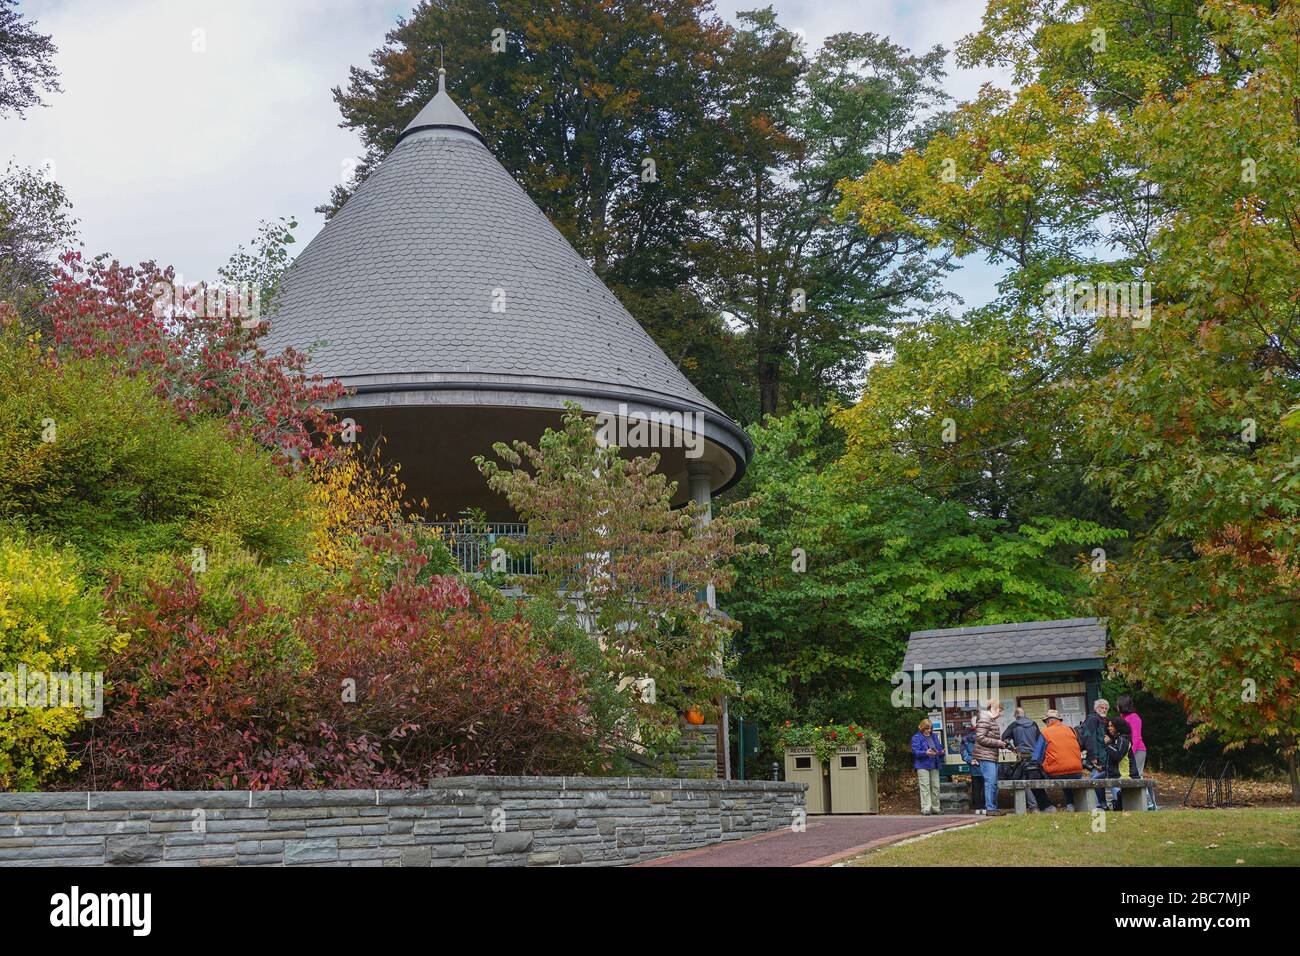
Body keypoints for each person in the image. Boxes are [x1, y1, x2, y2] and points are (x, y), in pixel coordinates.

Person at [972, 699, 1013, 815]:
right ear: (994, 708)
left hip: (990, 755)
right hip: (985, 755)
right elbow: (980, 738)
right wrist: (998, 743)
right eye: (1000, 711)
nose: (1000, 714)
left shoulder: (989, 720)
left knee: (993, 782)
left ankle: (993, 808)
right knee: (990, 782)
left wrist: (1001, 744)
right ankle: (990, 809)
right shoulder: (985, 719)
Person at [1001, 707, 1046, 811]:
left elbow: (1004, 738)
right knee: (1035, 779)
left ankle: (1033, 807)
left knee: (1021, 780)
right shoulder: (1034, 724)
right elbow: (1040, 740)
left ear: (1016, 716)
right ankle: (1041, 805)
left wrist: (1012, 748)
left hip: (1022, 757)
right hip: (1035, 757)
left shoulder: (1014, 725)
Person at [1117, 694, 1158, 810]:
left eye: (1118, 704)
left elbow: (1136, 737)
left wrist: (1130, 753)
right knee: (1136, 777)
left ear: (1122, 705)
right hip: (1129, 750)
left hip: (1138, 750)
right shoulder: (1123, 718)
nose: (1116, 706)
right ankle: (1151, 804)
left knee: (1137, 776)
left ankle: (1149, 803)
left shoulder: (1134, 717)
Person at [1041, 709, 1084, 810]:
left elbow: (1037, 755)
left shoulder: (1044, 732)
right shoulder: (1071, 729)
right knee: (1066, 771)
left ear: (1049, 721)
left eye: (1046, 722)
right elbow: (1080, 745)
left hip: (1056, 773)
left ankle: (1046, 806)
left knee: (1033, 776)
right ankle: (1070, 805)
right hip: (1077, 771)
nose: (1046, 724)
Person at [1079, 698, 1110, 807]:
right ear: (1096, 708)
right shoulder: (1093, 719)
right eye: (1102, 707)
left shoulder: (1104, 720)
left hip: (1104, 756)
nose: (1104, 710)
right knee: (1096, 781)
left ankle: (1103, 804)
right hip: (1097, 757)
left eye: (1106, 708)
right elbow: (1090, 739)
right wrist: (1093, 756)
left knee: (1099, 781)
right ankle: (1100, 804)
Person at [911, 717, 945, 815]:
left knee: (936, 786)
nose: (928, 730)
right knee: (925, 787)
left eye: (930, 728)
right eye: (926, 728)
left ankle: (936, 807)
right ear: (922, 728)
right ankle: (926, 808)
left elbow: (938, 748)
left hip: (934, 763)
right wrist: (925, 752)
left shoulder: (934, 736)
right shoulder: (916, 737)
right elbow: (915, 752)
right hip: (922, 765)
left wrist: (941, 752)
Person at [1104, 715, 1134, 810]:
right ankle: (1106, 804)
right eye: (1109, 726)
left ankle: (1104, 805)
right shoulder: (1117, 739)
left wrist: (1108, 744)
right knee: (1095, 779)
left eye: (1112, 726)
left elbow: (1118, 755)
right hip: (1116, 775)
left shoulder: (1123, 739)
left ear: (1118, 726)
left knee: (1122, 804)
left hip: (1123, 775)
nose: (1109, 728)